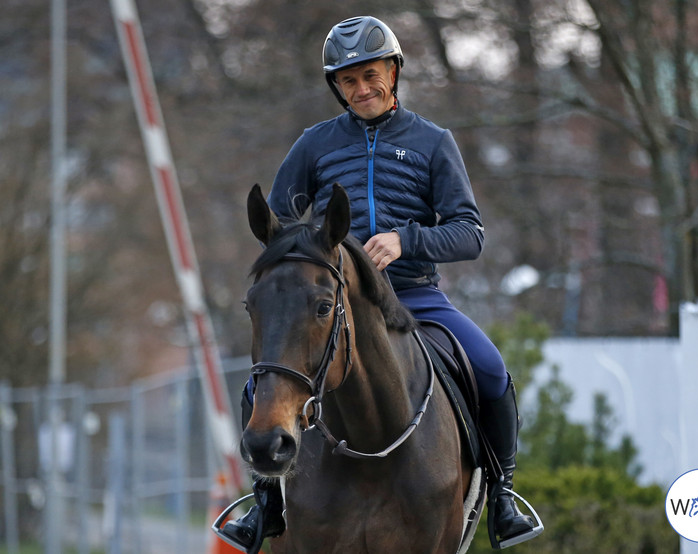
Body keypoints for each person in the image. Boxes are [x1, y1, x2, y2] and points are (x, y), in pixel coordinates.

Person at [223, 15, 535, 551]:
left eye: (371, 75)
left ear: (393, 71)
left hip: (414, 297)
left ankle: (503, 498)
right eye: (348, 81)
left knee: (490, 371)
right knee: (260, 383)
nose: (362, 89)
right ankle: (267, 502)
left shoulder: (433, 143)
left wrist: (405, 241)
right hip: (332, 296)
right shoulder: (313, 146)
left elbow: (470, 233)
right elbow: (277, 231)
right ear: (336, 86)